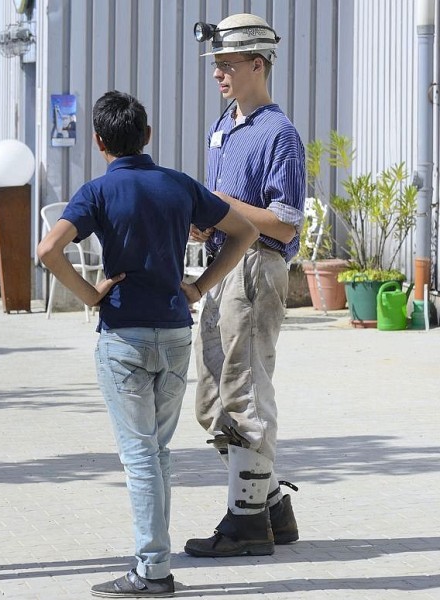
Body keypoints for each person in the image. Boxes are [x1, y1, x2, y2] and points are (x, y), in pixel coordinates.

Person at [37, 90, 258, 598]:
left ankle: (153, 569)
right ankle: (154, 559)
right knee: (158, 452)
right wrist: (200, 287)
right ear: (148, 136)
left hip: (124, 337)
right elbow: (244, 231)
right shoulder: (178, 186)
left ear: (98, 141)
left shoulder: (96, 192)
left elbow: (48, 249)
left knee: (139, 457)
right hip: (176, 330)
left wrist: (92, 295)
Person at [183, 13, 306, 558]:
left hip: (256, 267)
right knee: (212, 401)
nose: (218, 75)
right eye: (216, 66)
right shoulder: (225, 125)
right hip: (222, 266)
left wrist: (221, 209)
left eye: (228, 65)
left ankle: (247, 523)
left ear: (259, 64)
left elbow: (284, 220)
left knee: (245, 393)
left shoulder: (278, 132)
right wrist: (204, 219)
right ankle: (271, 504)